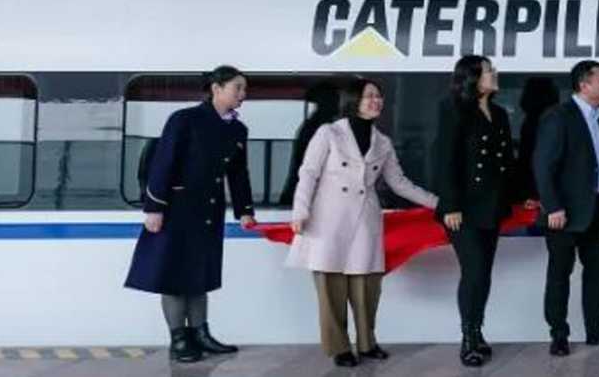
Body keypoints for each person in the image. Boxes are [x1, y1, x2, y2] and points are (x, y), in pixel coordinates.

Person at [286, 77, 440, 367]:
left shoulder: (383, 141)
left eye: (379, 96)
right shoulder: (329, 132)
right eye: (369, 96)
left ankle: (367, 343)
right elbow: (308, 173)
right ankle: (339, 347)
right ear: (353, 100)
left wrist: (439, 204)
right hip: (328, 218)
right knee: (331, 287)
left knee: (367, 285)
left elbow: (399, 183)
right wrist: (300, 211)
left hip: (365, 218)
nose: (376, 101)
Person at [124, 65, 258, 363]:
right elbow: (163, 163)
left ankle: (201, 334)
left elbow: (238, 174)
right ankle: (179, 340)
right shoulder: (185, 120)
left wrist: (244, 211)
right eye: (238, 88)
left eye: (244, 89)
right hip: (176, 211)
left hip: (208, 211)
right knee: (174, 275)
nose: (243, 94)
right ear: (216, 88)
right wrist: (155, 208)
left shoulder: (237, 130)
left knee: (200, 275)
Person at [430, 55, 533, 367]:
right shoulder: (453, 108)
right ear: (472, 77)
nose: (494, 74)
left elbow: (506, 162)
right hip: (463, 210)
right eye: (489, 71)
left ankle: (477, 332)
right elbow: (444, 159)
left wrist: (521, 196)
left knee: (483, 274)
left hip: (492, 206)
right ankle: (468, 339)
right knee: (473, 272)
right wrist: (450, 204)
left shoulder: (499, 113)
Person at [535, 60, 599, 356]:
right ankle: (558, 334)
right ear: (584, 84)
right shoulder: (558, 116)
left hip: (596, 209)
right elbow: (543, 165)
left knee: (596, 274)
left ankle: (597, 329)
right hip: (563, 214)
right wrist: (553, 206)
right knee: (559, 275)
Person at [280, 80, 342, 206]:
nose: (338, 104)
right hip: (310, 193)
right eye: (335, 99)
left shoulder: (314, 124)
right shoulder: (319, 127)